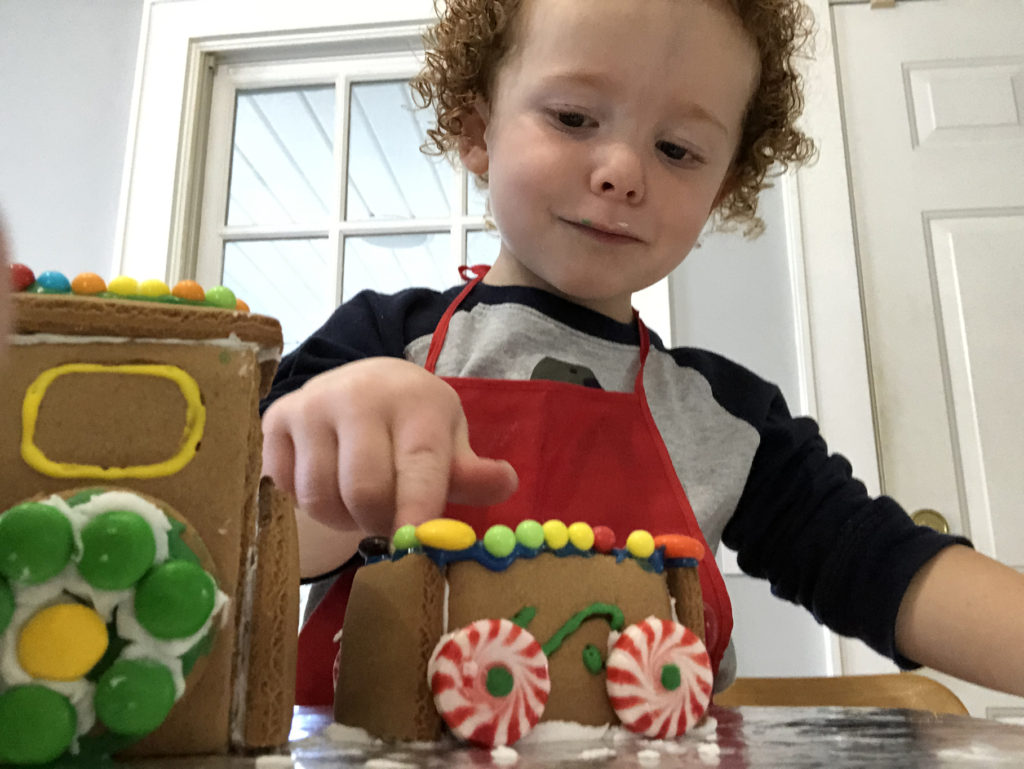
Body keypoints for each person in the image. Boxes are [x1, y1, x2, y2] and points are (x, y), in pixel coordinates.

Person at [261, 0, 1024, 708]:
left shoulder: (729, 418)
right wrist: (330, 454)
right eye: (572, 116)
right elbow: (253, 549)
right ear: (475, 131)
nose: (623, 171)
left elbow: (885, 569)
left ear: (724, 188)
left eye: (678, 149)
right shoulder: (380, 343)